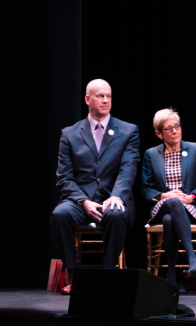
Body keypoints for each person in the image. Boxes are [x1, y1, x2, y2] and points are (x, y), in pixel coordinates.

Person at [50, 79, 140, 294]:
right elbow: (64, 177)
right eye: (100, 96)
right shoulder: (69, 134)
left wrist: (117, 195)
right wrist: (83, 201)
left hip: (113, 196)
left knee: (116, 214)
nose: (106, 100)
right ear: (88, 99)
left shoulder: (128, 131)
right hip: (80, 199)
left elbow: (128, 169)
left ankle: (106, 275)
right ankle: (72, 274)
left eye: (109, 96)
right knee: (59, 214)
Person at [142, 108, 196, 284]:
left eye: (177, 126)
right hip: (163, 204)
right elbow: (146, 189)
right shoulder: (151, 154)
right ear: (159, 134)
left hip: (190, 206)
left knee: (169, 220)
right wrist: (164, 195)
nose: (175, 131)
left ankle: (171, 276)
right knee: (173, 202)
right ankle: (192, 260)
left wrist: (191, 198)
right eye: (169, 128)